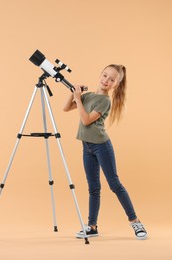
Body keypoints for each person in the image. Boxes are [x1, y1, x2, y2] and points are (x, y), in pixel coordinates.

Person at [63, 64, 147, 240]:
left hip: (101, 146)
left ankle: (135, 221)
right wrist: (74, 92)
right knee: (93, 188)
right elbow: (66, 108)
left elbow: (86, 121)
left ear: (116, 85)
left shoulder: (104, 101)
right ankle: (92, 226)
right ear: (100, 75)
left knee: (115, 185)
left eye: (112, 79)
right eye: (105, 75)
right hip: (87, 147)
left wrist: (78, 99)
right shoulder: (89, 96)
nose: (106, 80)